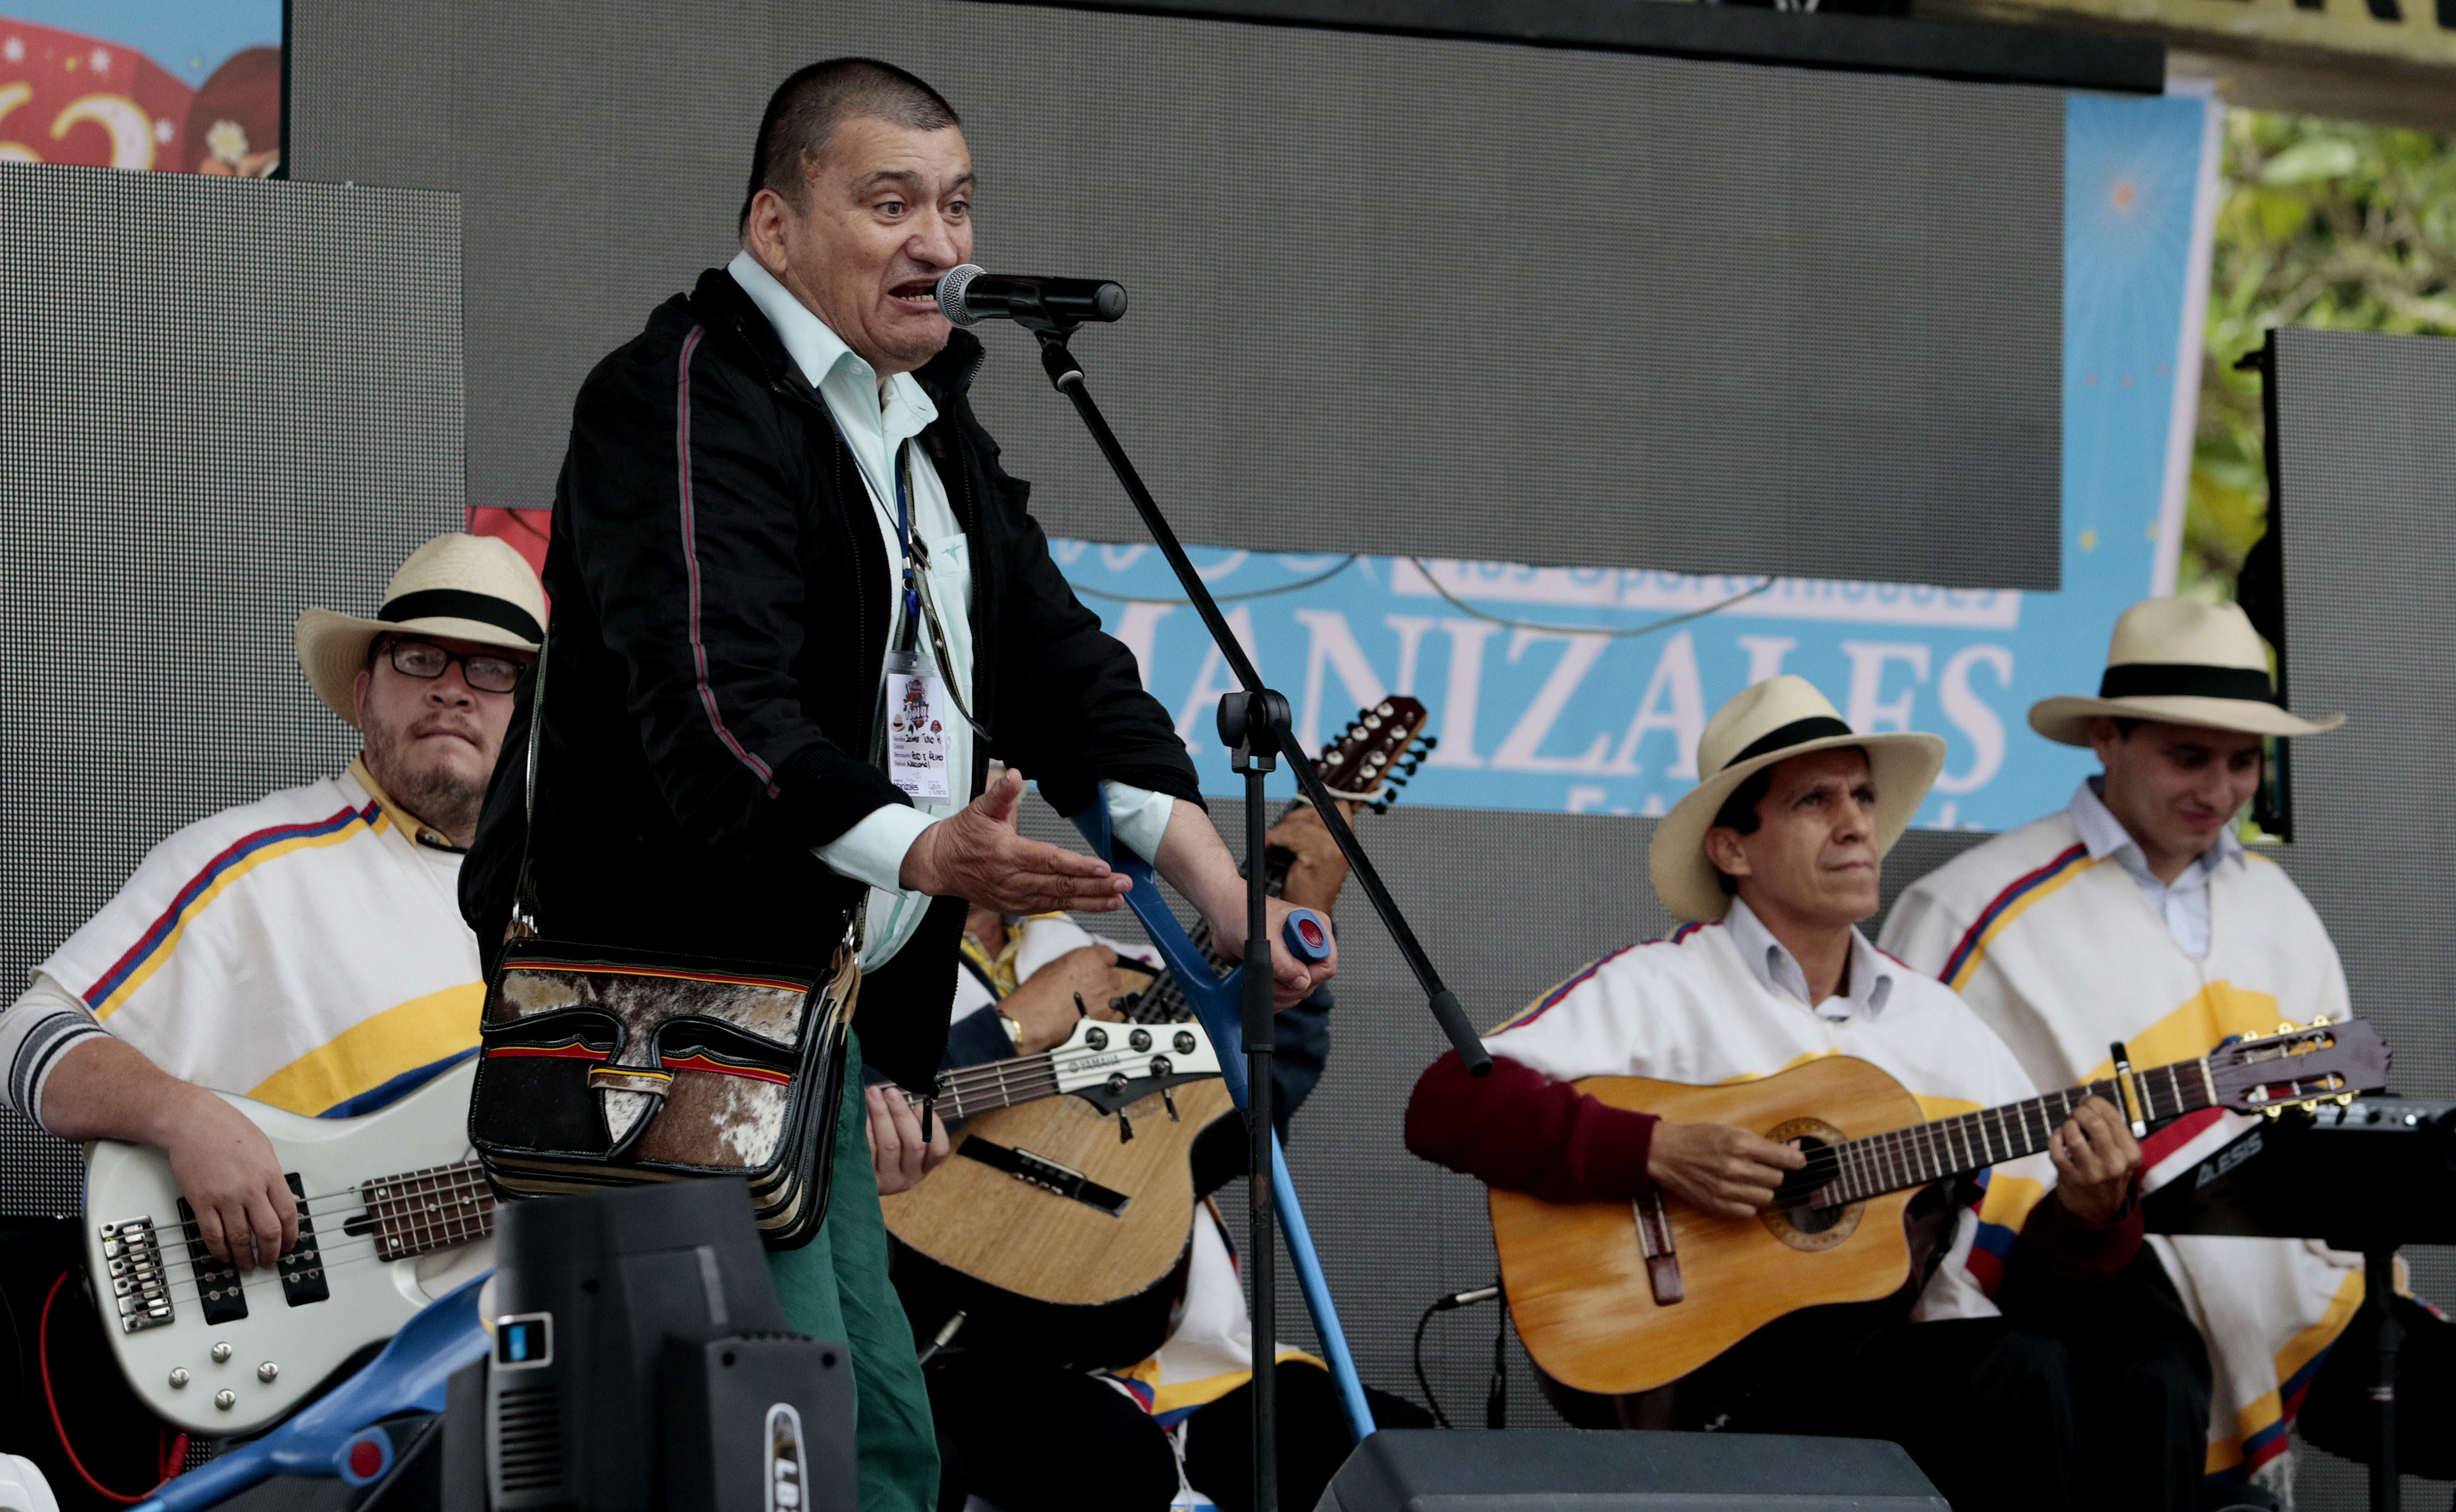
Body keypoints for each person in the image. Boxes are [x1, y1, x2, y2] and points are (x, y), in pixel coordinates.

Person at [461, 59, 1334, 1512]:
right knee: (768, 1439)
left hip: (833, 1034)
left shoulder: (929, 426)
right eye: (892, 202)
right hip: (669, 1025)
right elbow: (713, 716)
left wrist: (1218, 883)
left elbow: (1058, 665)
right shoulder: (678, 393)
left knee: (876, 1442)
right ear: (777, 223)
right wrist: (930, 857)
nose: (942, 240)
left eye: (959, 203)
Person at [1405, 675, 2203, 1512]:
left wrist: (2091, 1215)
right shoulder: (1661, 987)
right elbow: (1445, 1102)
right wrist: (1655, 1150)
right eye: (1814, 801)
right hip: (1714, 1387)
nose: (1858, 822)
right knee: (2018, 1368)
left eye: (1862, 795)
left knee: (2128, 1363)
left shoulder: (1941, 1027)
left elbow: (2030, 1291)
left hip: (1905, 1378)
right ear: (1732, 849)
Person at [1880, 597, 2443, 1500]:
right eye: (2188, 756)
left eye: (2242, 762)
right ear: (2105, 738)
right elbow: (1913, 1145)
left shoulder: (2279, 905)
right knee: (2152, 1384)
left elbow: (2333, 1120)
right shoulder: (1972, 905)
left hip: (2294, 1291)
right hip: (2086, 1277)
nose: (2217, 790)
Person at [0, 532, 540, 1273]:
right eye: (419, 658)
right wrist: (180, 1115)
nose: (452, 688)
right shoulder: (245, 866)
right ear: (363, 694)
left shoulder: (582, 917)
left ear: (539, 715)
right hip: (324, 1376)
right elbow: (27, 1040)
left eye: (494, 669)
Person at [871, 799, 1418, 1512]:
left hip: (1179, 1344)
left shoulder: (1117, 970)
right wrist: (1013, 1027)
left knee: (1390, 1448)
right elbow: (852, 1113)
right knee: (1107, 1457)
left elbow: (1264, 1094)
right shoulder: (869, 980)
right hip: (955, 1339)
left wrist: (1302, 924)